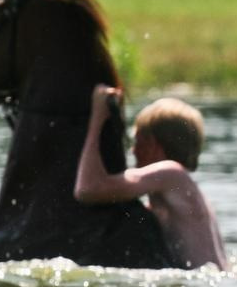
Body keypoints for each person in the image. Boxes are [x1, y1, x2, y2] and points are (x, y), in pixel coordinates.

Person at [75, 84, 228, 270]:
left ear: (152, 145)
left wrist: (97, 118)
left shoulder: (171, 173)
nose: (133, 151)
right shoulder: (182, 190)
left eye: (137, 141)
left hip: (201, 283)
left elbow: (87, 189)